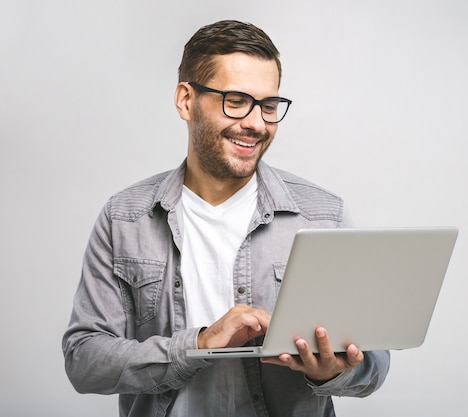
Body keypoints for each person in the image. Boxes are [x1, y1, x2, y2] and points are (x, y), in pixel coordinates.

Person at [62, 20, 390, 417]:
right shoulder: (124, 218)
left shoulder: (323, 216)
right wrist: (197, 345)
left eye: (268, 106)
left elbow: (375, 364)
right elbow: (84, 361)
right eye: (236, 100)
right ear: (186, 100)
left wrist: (331, 373)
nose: (256, 123)